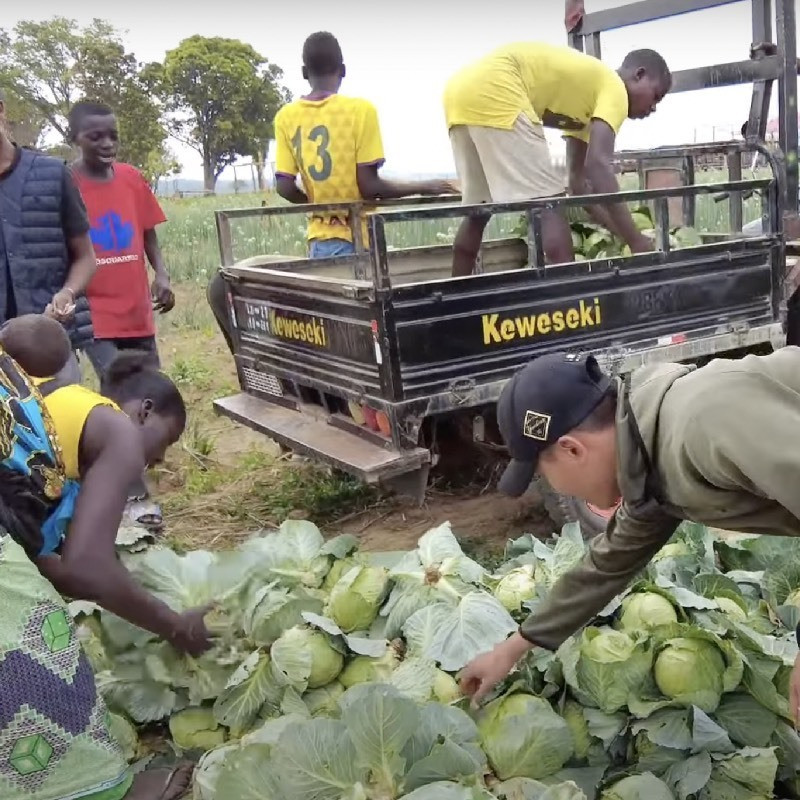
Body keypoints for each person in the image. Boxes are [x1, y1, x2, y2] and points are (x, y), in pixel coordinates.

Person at [459, 348, 800, 717]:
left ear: (572, 450)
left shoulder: (702, 424)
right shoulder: (648, 459)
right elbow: (608, 564)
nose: (553, 486)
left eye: (542, 474)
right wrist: (512, 649)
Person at [0, 322, 208, 800]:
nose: (154, 462)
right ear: (143, 411)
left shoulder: (55, 412)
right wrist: (176, 626)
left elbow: (53, 566)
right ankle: (98, 790)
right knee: (40, 653)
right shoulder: (118, 432)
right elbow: (85, 569)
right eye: (165, 442)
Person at [207, 30, 455, 352]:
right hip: (357, 239)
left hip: (320, 242)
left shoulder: (286, 117)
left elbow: (284, 186)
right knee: (362, 339)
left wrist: (318, 203)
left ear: (304, 72)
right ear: (343, 69)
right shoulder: (360, 111)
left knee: (329, 331)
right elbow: (370, 186)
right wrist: (426, 186)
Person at [443, 43, 672, 277]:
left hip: (461, 91)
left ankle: (458, 290)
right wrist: (637, 242)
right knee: (549, 207)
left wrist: (623, 233)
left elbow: (577, 185)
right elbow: (598, 166)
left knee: (479, 210)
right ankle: (570, 294)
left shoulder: (589, 101)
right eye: (656, 96)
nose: (653, 108)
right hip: (500, 87)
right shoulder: (615, 89)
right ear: (639, 74)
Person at [68, 101, 174, 382]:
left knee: (152, 389)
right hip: (95, 317)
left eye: (113, 136)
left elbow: (148, 231)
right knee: (122, 388)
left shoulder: (131, 178)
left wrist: (162, 274)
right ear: (74, 139)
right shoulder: (65, 184)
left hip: (137, 313)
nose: (107, 144)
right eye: (96, 137)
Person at [0, 89, 97, 381]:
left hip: (50, 347)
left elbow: (86, 257)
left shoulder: (53, 174)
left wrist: (67, 292)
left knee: (61, 411)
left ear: (1, 110)